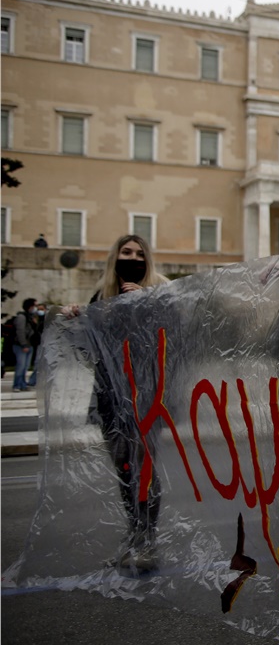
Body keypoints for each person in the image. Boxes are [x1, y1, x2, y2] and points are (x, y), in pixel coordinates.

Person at [62, 235, 170, 573]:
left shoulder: (159, 293)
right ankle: (134, 536)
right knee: (125, 471)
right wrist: (75, 322)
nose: (133, 258)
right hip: (110, 396)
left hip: (145, 397)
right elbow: (89, 352)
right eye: (127, 252)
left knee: (144, 472)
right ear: (115, 257)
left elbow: (174, 337)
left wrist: (148, 304)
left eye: (140, 253)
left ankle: (147, 541)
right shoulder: (102, 297)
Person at [11, 298, 38, 391]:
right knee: (21, 366)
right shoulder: (22, 317)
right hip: (21, 346)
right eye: (34, 306)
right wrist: (23, 344)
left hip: (29, 345)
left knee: (25, 367)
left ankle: (22, 384)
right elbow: (20, 332)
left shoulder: (30, 317)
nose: (35, 308)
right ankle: (17, 385)